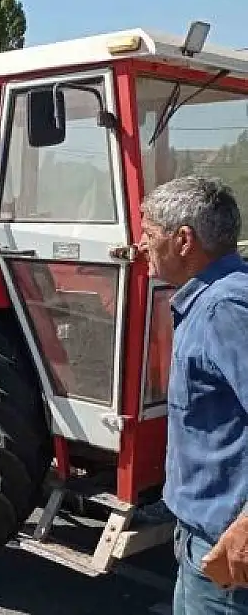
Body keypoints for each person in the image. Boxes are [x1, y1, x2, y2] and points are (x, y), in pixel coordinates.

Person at [139, 176, 248, 613]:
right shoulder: (216, 297)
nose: (140, 246)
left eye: (148, 235)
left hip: (224, 548)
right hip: (201, 539)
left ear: (183, 240)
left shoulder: (225, 309)